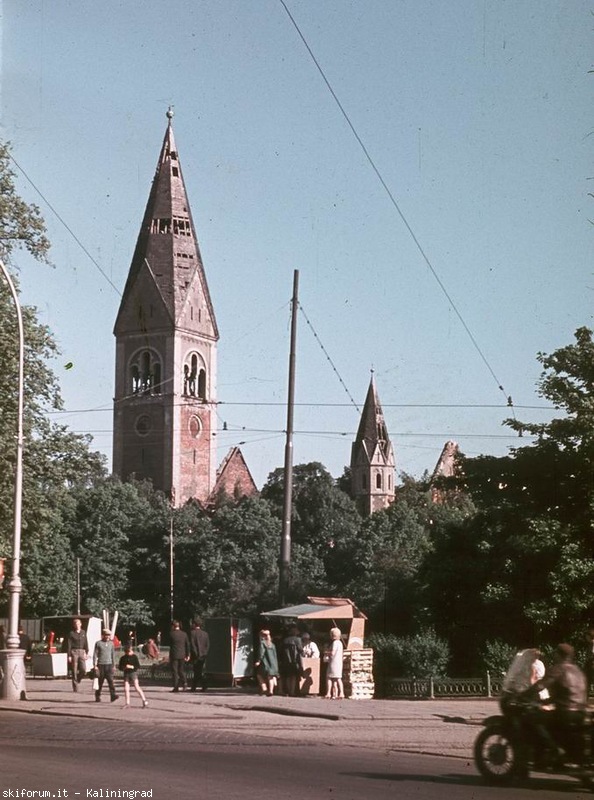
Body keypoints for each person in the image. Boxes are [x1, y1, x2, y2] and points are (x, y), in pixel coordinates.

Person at [539, 643, 588, 766]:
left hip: (565, 713)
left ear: (559, 655)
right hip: (581, 712)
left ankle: (555, 750)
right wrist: (547, 701)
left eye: (555, 653)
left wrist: (523, 694)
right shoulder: (578, 671)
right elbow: (564, 693)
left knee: (536, 720)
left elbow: (540, 685)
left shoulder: (559, 669)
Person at [93, 628, 119, 703]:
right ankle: (97, 696)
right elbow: (95, 654)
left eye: (109, 635)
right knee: (100, 682)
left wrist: (114, 665)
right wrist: (95, 665)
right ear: (103, 635)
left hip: (109, 665)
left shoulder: (111, 643)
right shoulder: (98, 643)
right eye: (106, 635)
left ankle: (113, 695)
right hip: (101, 664)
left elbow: (113, 654)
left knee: (111, 681)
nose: (107, 636)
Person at [118, 643, 148, 708]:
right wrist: (124, 668)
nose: (130, 652)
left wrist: (132, 667)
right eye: (128, 651)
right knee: (126, 688)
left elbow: (138, 666)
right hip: (126, 673)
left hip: (133, 673)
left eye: (130, 651)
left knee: (137, 687)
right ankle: (127, 703)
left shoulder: (134, 657)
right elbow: (120, 667)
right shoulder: (123, 658)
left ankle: (144, 700)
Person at [254, 629, 279, 696]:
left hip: (265, 662)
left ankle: (264, 688)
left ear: (262, 636)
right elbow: (275, 655)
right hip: (273, 663)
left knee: (259, 675)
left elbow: (261, 653)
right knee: (270, 677)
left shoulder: (262, 643)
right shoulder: (272, 644)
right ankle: (271, 691)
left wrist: (258, 661)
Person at [67, 617, 89, 692]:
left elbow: (86, 642)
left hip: (82, 651)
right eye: (76, 624)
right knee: (74, 669)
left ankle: (78, 679)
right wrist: (69, 655)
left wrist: (86, 652)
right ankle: (75, 686)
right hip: (74, 652)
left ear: (81, 624)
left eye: (78, 624)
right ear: (74, 625)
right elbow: (69, 644)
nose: (77, 625)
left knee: (83, 669)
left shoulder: (83, 632)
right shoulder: (71, 633)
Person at [169, 620, 190, 692]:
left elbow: (170, 645)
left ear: (173, 626)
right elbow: (187, 645)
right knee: (181, 670)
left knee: (175, 671)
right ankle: (185, 683)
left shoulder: (171, 634)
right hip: (182, 654)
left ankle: (176, 687)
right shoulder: (184, 634)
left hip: (174, 655)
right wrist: (188, 654)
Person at [324, 627, 345, 699]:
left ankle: (328, 693)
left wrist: (326, 652)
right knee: (338, 678)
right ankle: (340, 693)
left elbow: (332, 653)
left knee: (329, 677)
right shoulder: (340, 643)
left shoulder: (334, 643)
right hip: (339, 662)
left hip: (333, 662)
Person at [190, 618, 210, 692]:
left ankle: (202, 685)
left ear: (194, 624)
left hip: (196, 655)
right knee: (199, 671)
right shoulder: (205, 634)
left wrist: (195, 654)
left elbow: (192, 645)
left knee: (197, 671)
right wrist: (205, 653)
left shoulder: (192, 633)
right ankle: (196, 686)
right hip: (203, 655)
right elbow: (207, 645)